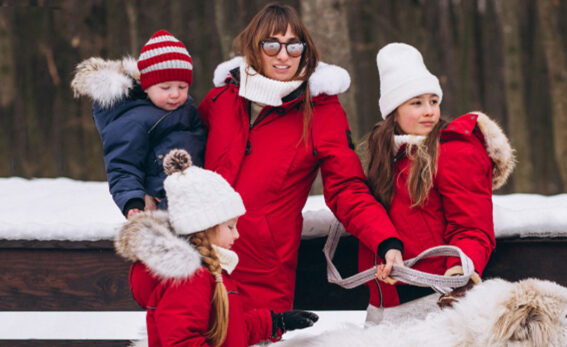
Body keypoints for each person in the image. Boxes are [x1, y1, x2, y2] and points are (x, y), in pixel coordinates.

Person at [197, 3, 404, 312]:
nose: (283, 55)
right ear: (255, 46)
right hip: (200, 261)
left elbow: (347, 188)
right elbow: (177, 157)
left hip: (262, 272)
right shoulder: (221, 99)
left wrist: (386, 240)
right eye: (272, 44)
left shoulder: (321, 111)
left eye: (293, 45)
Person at [360, 43, 516, 320]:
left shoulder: (453, 151)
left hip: (433, 298)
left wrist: (459, 274)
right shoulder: (387, 155)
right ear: (393, 112)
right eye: (416, 103)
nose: (429, 111)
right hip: (387, 299)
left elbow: (472, 224)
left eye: (433, 101)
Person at [116, 149, 319, 346]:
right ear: (205, 227)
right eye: (230, 227)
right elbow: (182, 341)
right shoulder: (190, 278)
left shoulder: (210, 272)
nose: (236, 235)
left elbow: (230, 332)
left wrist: (275, 322)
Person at [71, 29, 206, 218]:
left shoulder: (189, 111)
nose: (175, 94)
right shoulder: (132, 119)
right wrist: (133, 200)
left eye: (182, 87)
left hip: (194, 201)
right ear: (147, 86)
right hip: (159, 202)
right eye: (165, 87)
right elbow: (122, 165)